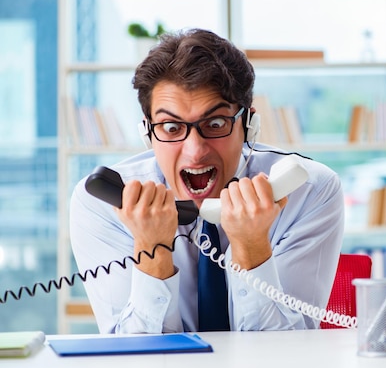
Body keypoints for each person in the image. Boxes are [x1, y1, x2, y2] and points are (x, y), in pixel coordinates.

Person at [69, 28, 345, 334]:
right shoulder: (107, 202)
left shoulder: (308, 191)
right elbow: (133, 360)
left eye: (215, 123)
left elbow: (287, 355)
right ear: (147, 134)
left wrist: (252, 248)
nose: (195, 150)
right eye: (171, 127)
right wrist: (151, 249)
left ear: (248, 125)